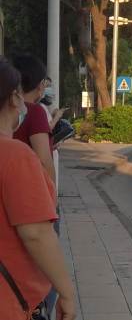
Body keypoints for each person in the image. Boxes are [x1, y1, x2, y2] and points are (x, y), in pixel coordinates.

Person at [0, 56, 76, 320]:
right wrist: (66, 293)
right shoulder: (14, 156)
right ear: (13, 99)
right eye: (20, 95)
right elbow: (36, 234)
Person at [12, 54, 55, 183]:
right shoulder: (35, 112)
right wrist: (52, 198)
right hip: (27, 190)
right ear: (40, 85)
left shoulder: (6, 108)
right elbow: (44, 163)